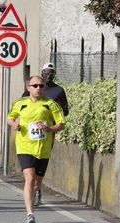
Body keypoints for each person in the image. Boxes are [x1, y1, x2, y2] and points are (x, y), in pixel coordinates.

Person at [7, 75, 65, 223]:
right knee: (30, 178)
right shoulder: (20, 103)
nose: (38, 88)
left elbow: (61, 124)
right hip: (24, 146)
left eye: (40, 86)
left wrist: (49, 129)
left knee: (36, 183)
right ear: (29, 88)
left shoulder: (50, 104)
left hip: (43, 148)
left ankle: (37, 192)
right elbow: (10, 118)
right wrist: (14, 124)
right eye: (35, 86)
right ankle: (30, 215)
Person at [22, 62, 69, 206]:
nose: (49, 76)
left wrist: (51, 117)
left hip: (47, 134)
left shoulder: (58, 91)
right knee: (31, 166)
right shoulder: (32, 88)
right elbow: (21, 105)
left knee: (41, 163)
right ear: (42, 73)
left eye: (51, 73)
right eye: (46, 73)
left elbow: (65, 110)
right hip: (29, 136)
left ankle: (37, 188)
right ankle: (32, 188)